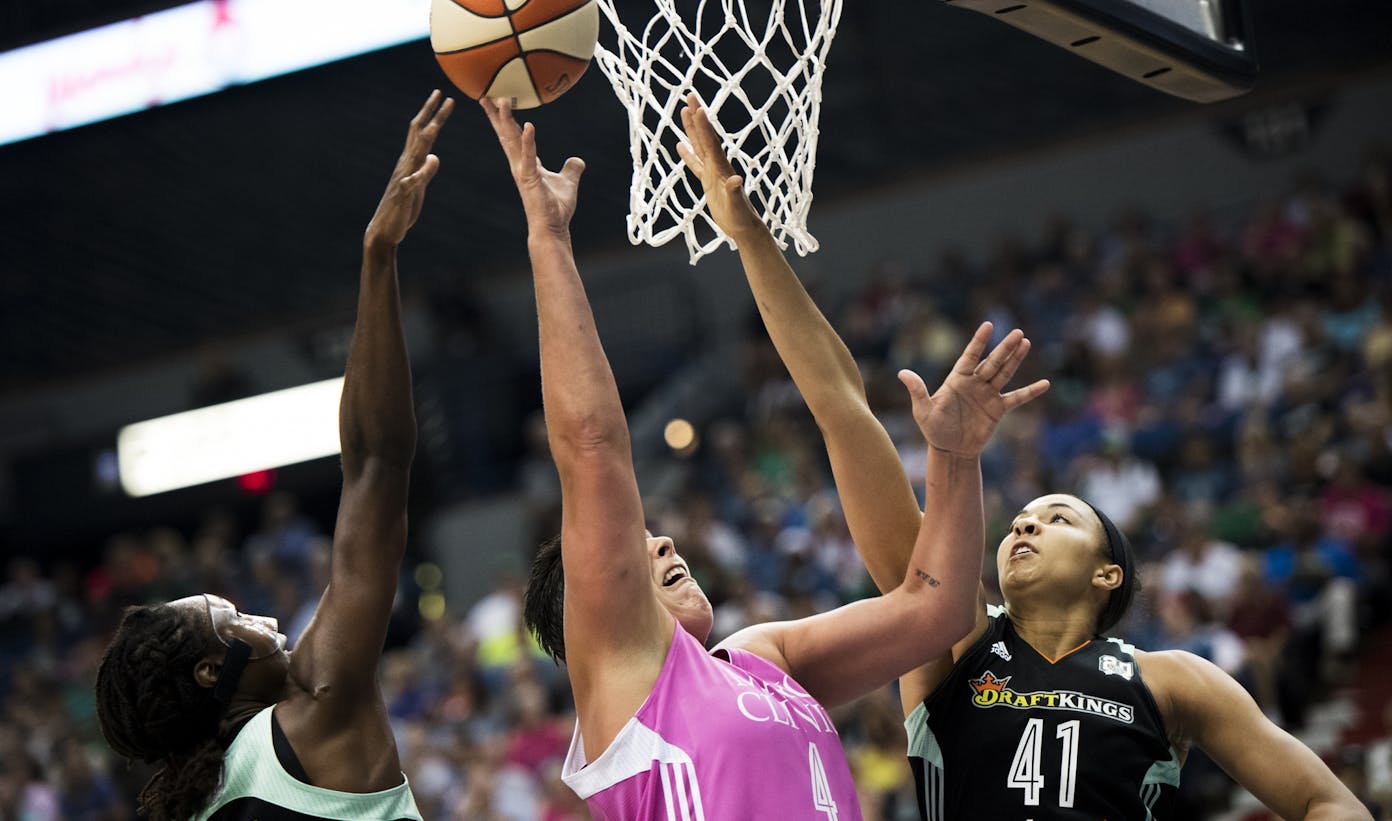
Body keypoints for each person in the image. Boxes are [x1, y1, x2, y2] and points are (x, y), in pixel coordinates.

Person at [678, 86, 1373, 820]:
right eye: (1022, 520)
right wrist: (750, 236)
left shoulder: (1174, 682)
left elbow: (1327, 800)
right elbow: (842, 410)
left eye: (1058, 517)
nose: (1024, 525)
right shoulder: (948, 636)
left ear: (1109, 571)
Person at [479, 94, 1045, 820]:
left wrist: (955, 457)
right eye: (632, 548)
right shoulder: (623, 675)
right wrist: (548, 238)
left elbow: (934, 609)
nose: (659, 537)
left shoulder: (762, 657)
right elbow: (592, 447)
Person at [93, 91, 454, 821]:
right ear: (212, 668)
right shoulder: (315, 709)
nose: (264, 620)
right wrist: (378, 256)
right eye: (236, 618)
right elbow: (378, 462)